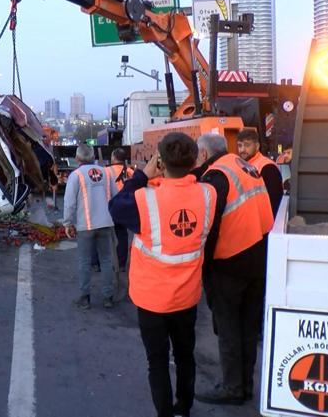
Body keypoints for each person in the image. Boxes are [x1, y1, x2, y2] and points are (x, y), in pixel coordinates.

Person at [110, 132, 217, 417]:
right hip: (187, 296)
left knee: (157, 361)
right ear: (195, 161)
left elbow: (115, 207)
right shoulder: (209, 194)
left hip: (151, 300)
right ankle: (184, 407)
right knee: (185, 356)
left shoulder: (144, 200)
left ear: (160, 161)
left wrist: (143, 175)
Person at [192, 133, 274, 405]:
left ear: (203, 154)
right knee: (249, 328)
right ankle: (245, 385)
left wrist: (204, 264)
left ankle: (231, 388)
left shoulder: (215, 176)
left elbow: (209, 227)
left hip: (229, 262)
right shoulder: (244, 165)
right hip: (258, 255)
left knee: (228, 328)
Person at [63, 144, 118, 310]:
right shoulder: (106, 173)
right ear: (93, 156)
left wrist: (67, 223)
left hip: (85, 225)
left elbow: (69, 202)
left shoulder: (76, 175)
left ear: (77, 158)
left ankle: (85, 298)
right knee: (107, 260)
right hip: (106, 223)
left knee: (84, 261)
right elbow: (115, 197)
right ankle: (108, 297)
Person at [236, 129, 283, 217]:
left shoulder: (267, 167)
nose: (242, 149)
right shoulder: (242, 165)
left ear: (257, 146)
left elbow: (274, 201)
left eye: (247, 145)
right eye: (239, 145)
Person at [107, 147, 134, 272]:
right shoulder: (129, 171)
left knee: (103, 236)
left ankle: (99, 263)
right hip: (124, 208)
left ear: (113, 157)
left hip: (109, 208)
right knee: (122, 236)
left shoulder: (106, 171)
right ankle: (121, 264)